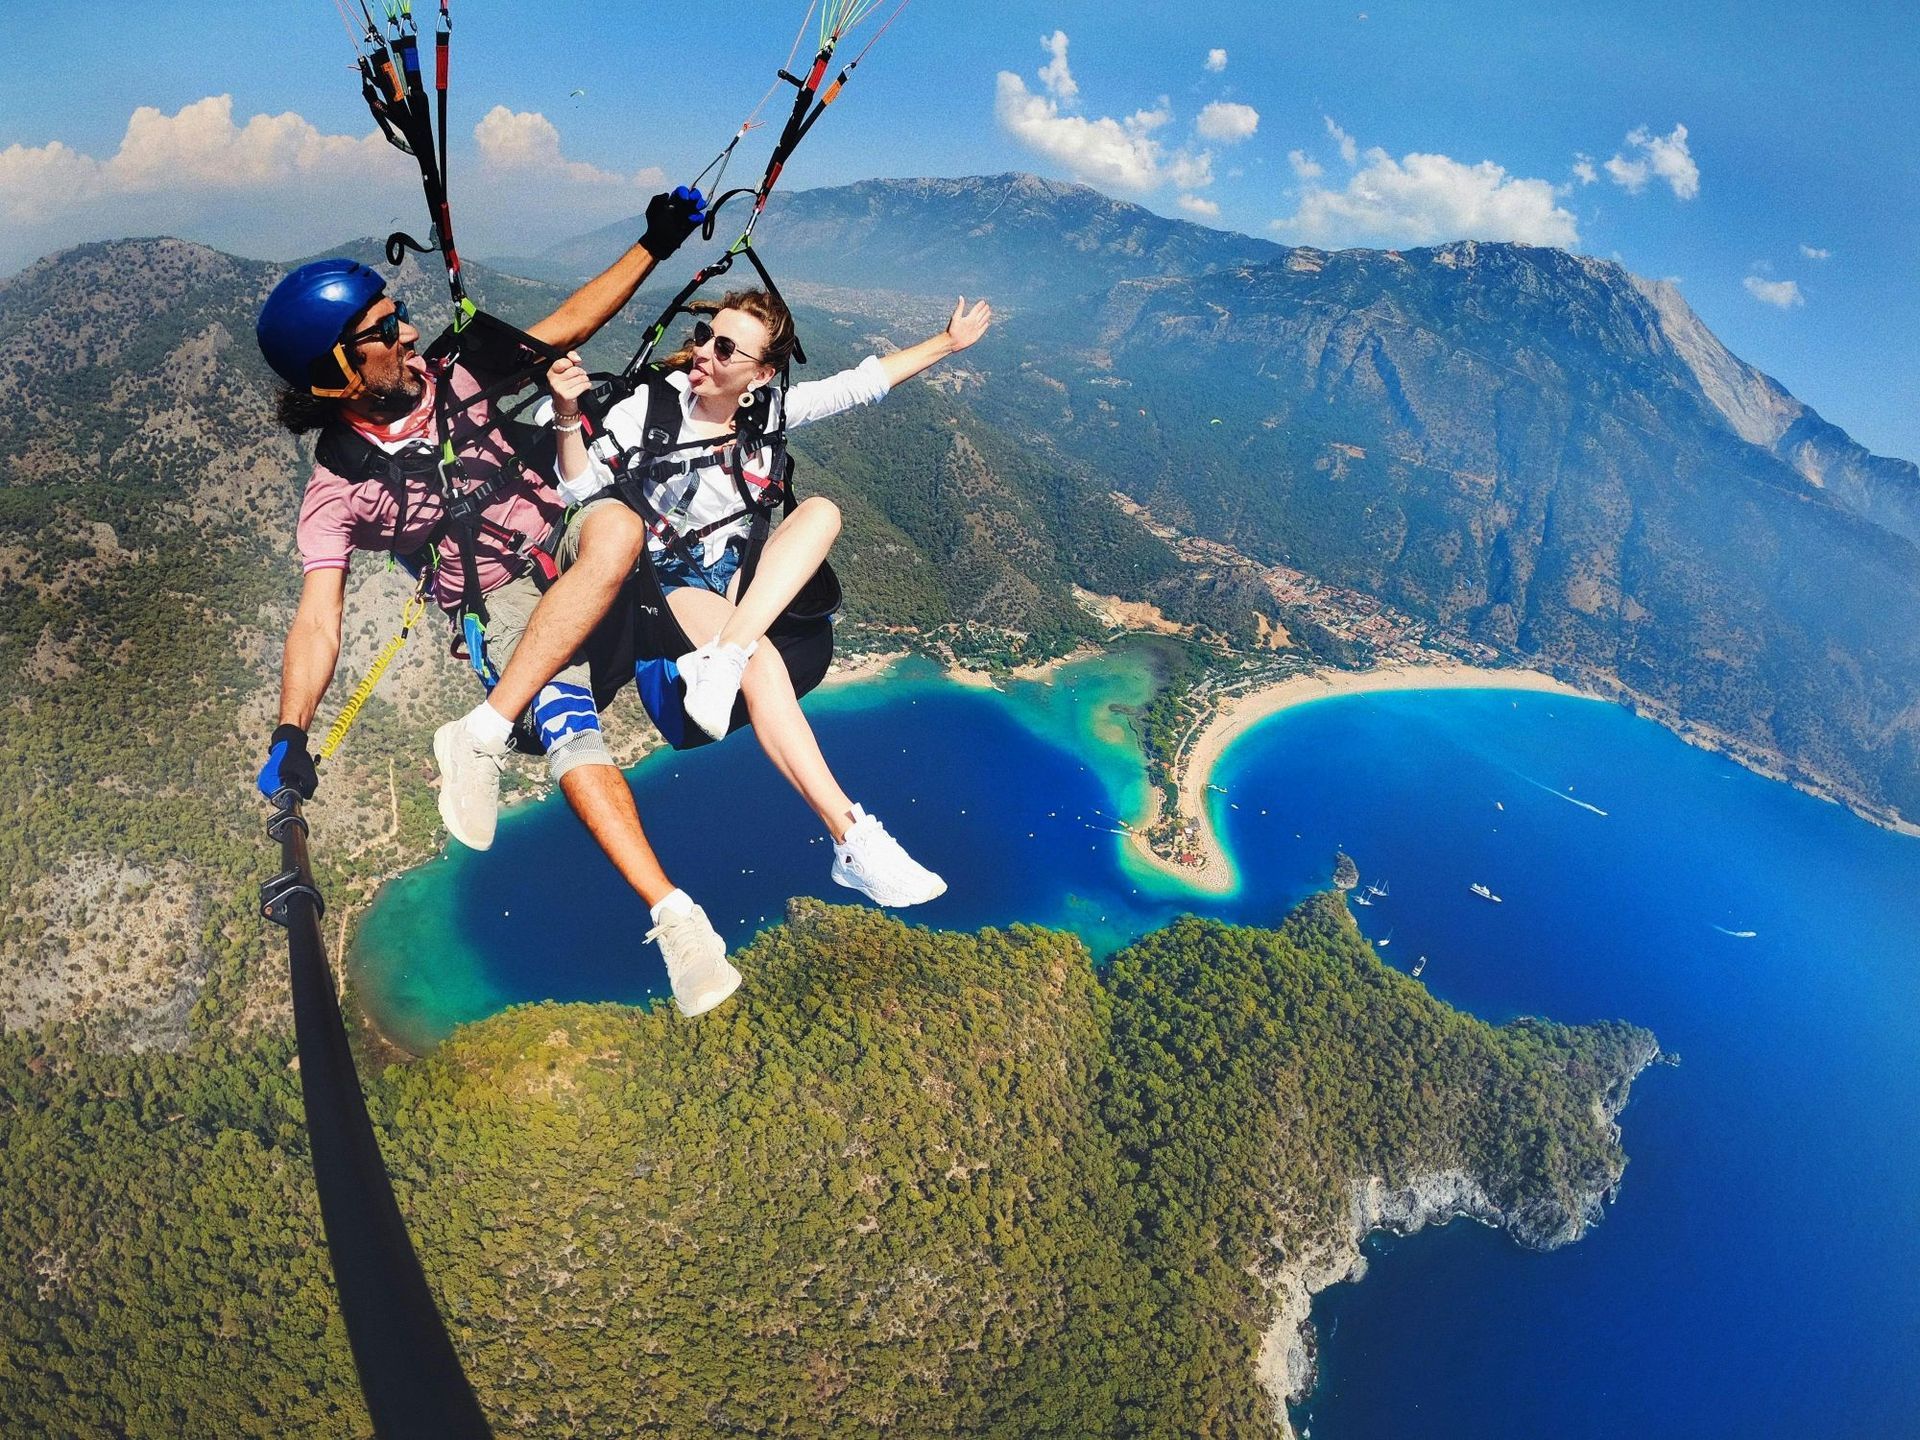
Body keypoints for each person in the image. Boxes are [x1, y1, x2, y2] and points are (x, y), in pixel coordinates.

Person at [253, 189, 743, 1017]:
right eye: (382, 330)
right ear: (338, 375)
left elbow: (572, 322)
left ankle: (477, 737)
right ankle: (677, 917)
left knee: (620, 528)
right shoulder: (338, 492)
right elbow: (318, 619)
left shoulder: (458, 371)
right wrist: (290, 730)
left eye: (399, 313)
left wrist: (655, 243)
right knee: (573, 733)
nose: (407, 332)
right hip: (501, 600)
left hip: (567, 536)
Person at [538, 287, 993, 906]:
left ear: (761, 373)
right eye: (705, 338)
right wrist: (567, 414)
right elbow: (578, 488)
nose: (704, 353)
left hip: (733, 575)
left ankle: (724, 654)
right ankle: (851, 837)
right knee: (763, 663)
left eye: (725, 347)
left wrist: (948, 342)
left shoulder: (767, 414)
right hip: (666, 581)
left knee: (823, 511)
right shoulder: (647, 411)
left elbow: (861, 384)